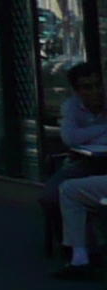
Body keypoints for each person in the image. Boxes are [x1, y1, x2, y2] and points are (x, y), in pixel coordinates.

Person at [48, 65, 107, 276]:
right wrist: (103, 130)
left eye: (98, 85)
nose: (94, 92)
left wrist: (87, 135)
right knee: (52, 195)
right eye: (86, 87)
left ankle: (84, 255)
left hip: (100, 164)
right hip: (79, 164)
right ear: (77, 90)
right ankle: (71, 248)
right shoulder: (71, 107)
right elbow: (70, 139)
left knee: (73, 192)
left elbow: (78, 138)